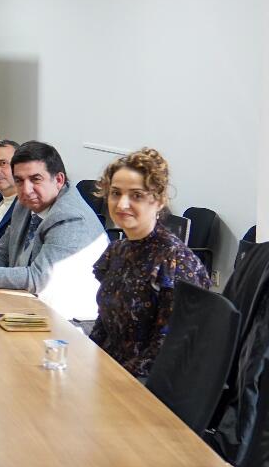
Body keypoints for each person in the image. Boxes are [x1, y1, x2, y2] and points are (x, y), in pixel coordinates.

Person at [0, 141, 108, 321]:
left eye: (36, 179)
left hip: (70, 322)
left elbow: (38, 279)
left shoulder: (70, 217)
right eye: (19, 180)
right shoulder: (25, 203)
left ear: (59, 180)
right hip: (29, 306)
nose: (27, 189)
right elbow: (2, 254)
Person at [89, 149, 210, 378]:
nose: (122, 204)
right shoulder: (118, 250)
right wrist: (86, 359)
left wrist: (113, 378)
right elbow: (104, 323)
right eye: (115, 193)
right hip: (111, 371)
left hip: (146, 384)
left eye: (136, 195)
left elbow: (168, 350)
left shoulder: (175, 261)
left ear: (159, 200)